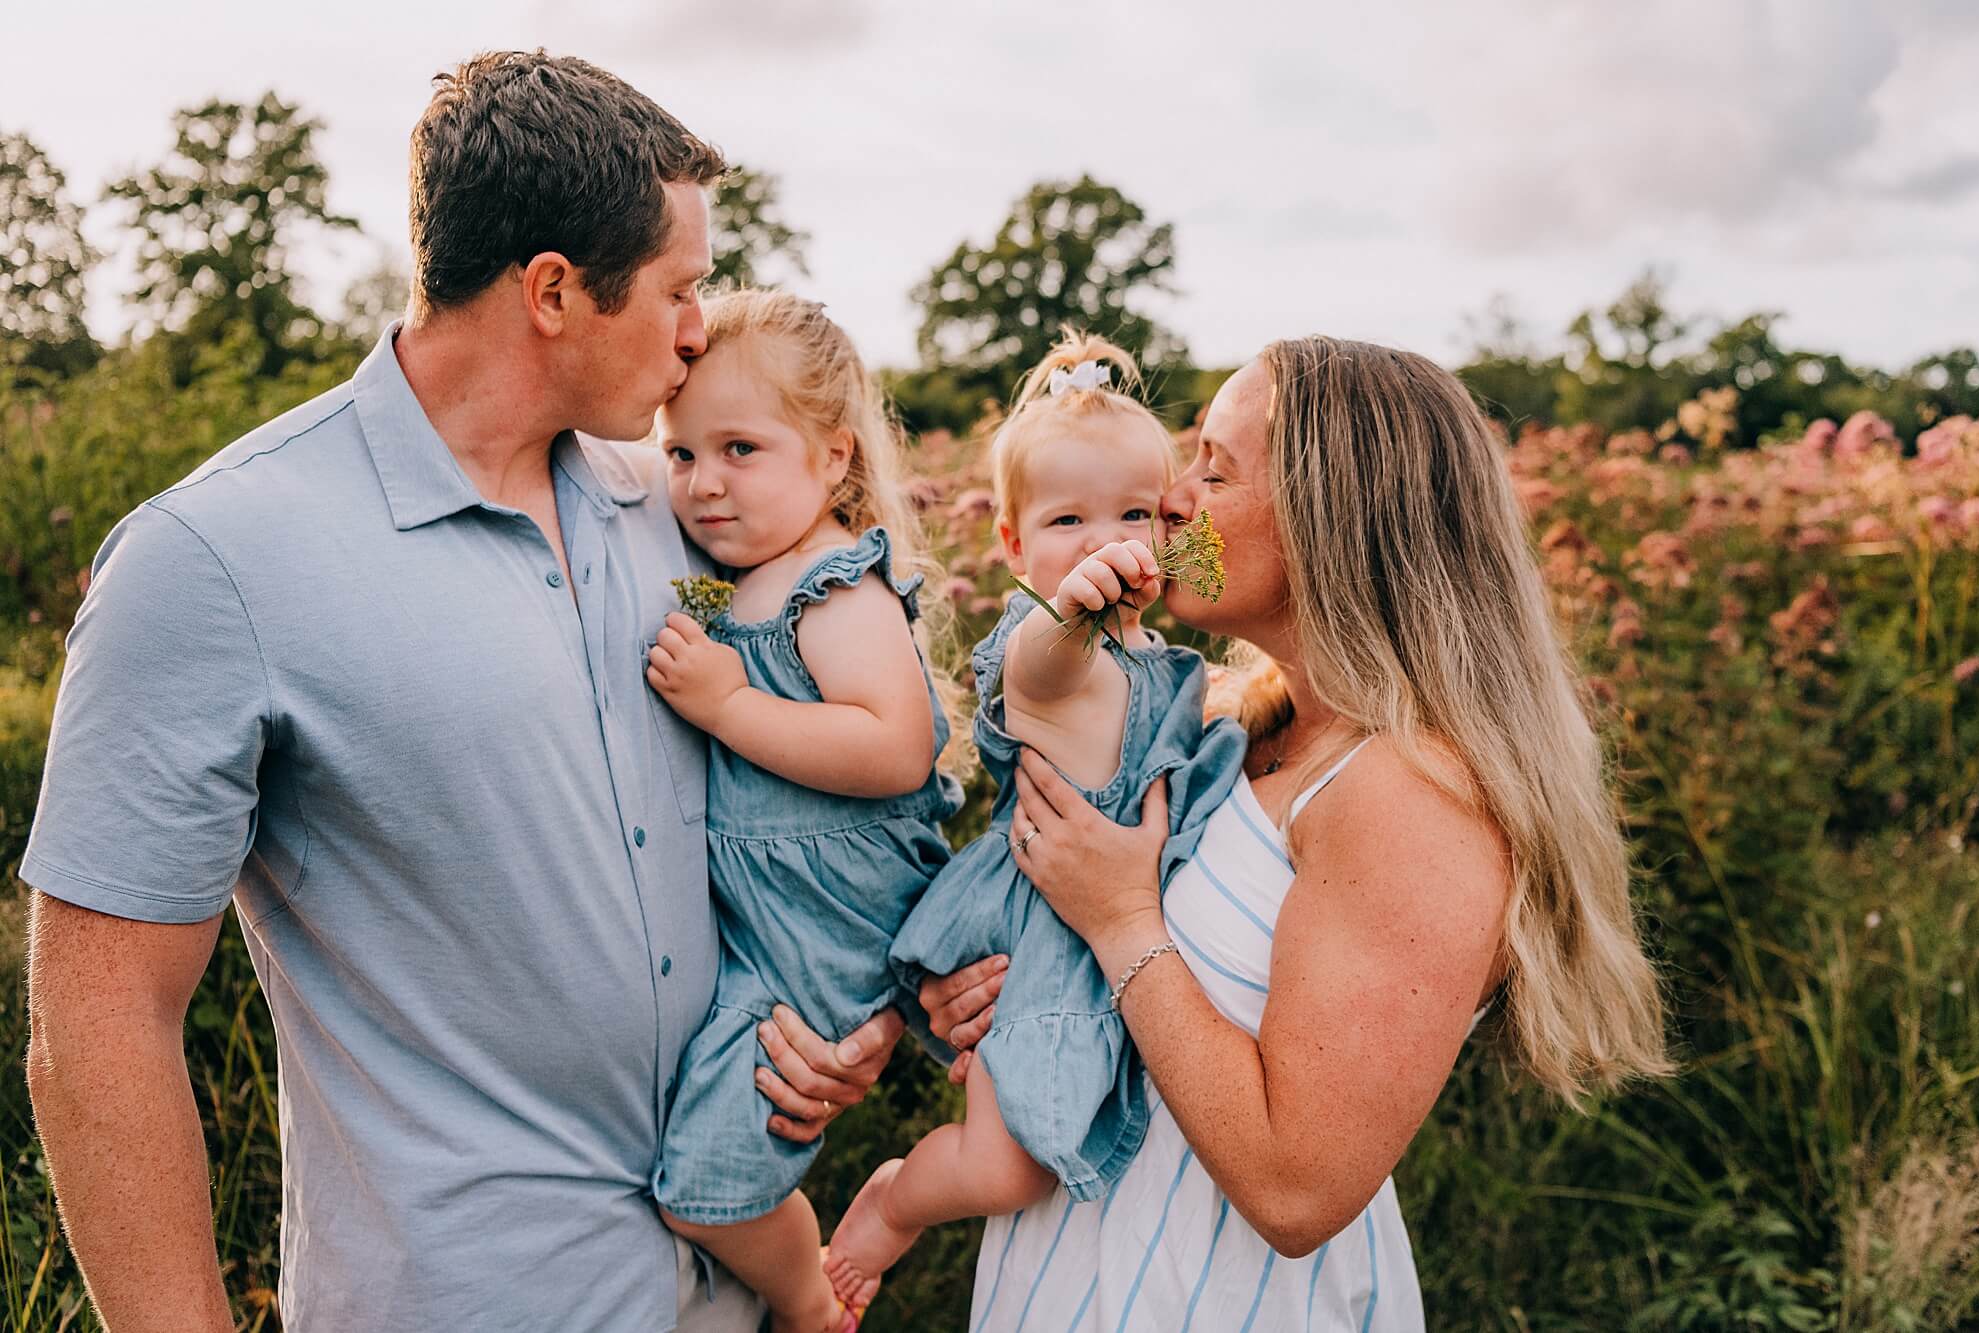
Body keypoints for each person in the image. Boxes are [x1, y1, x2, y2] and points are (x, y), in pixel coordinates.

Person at [21, 53, 898, 1332]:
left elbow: (774, 797)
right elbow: (99, 1030)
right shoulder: (213, 561)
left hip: (728, 1293)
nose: (699, 327)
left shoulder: (682, 519)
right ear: (552, 292)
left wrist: (844, 1014)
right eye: (680, 288)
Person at [921, 336, 1672, 1329]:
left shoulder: (1411, 795)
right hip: (1070, 1273)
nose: (1171, 500)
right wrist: (1006, 978)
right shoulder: (1236, 729)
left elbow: (1296, 1189)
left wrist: (1115, 921)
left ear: (1332, 516)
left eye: (1214, 470)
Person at [824, 332, 1245, 1307]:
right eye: (1066, 519)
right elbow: (1044, 673)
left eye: (1132, 513)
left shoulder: (1160, 656)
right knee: (1009, 1168)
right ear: (1010, 545)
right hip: (1044, 937)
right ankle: (890, 1204)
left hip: (1104, 927)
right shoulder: (1044, 648)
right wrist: (1069, 610)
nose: (1103, 541)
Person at [644, 289, 962, 1333]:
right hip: (771, 929)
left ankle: (809, 1301)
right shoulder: (727, 579)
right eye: (682, 454)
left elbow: (894, 745)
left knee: (704, 1182)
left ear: (832, 457)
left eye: (741, 447)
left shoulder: (829, 589)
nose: (704, 483)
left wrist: (729, 704)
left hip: (825, 925)